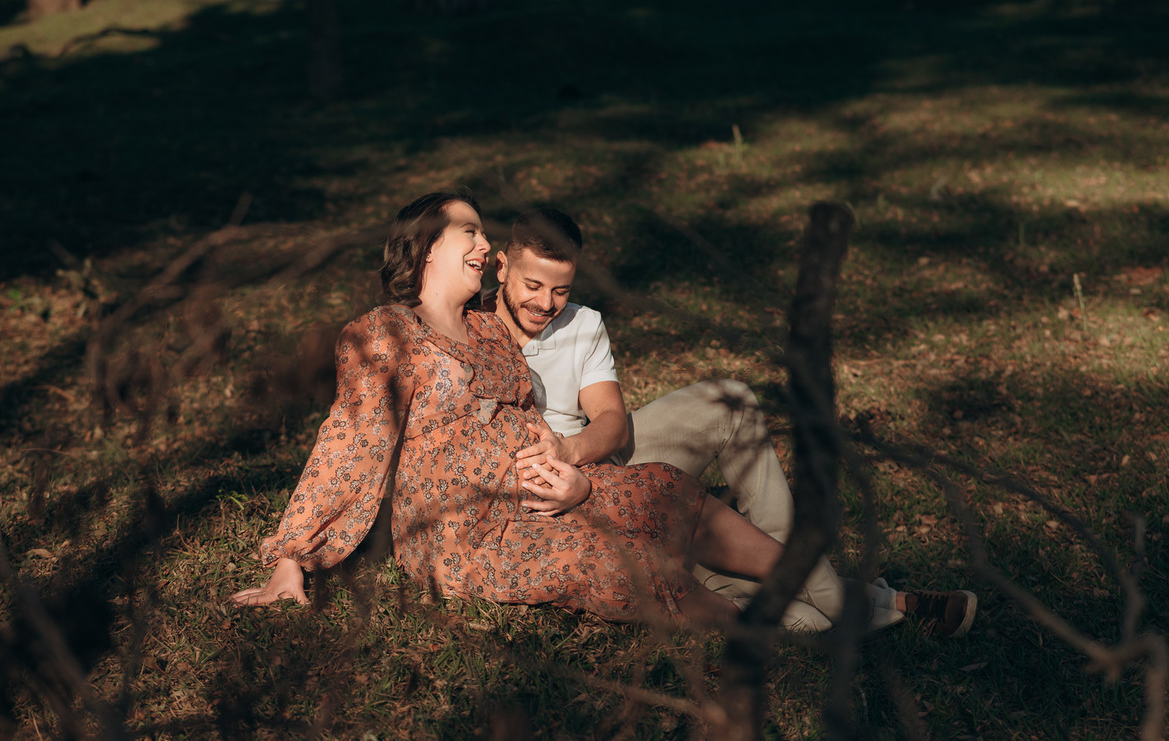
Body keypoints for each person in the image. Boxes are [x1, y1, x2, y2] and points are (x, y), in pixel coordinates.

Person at [231, 192, 789, 626]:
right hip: (467, 531)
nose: (482, 244)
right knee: (617, 563)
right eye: (469, 232)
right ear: (426, 246)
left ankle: (804, 579)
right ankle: (761, 632)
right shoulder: (386, 332)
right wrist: (292, 558)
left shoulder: (485, 329)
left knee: (664, 488)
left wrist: (574, 479)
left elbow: (533, 419)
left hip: (539, 495)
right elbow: (350, 444)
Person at [483, 207, 977, 637]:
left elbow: (611, 421)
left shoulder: (581, 322)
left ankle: (793, 568)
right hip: (551, 497)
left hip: (597, 456)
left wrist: (571, 452)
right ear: (502, 267)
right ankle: (876, 602)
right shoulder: (467, 325)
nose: (546, 304)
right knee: (707, 561)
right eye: (533, 286)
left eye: (560, 290)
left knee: (732, 401)